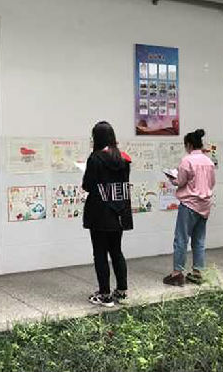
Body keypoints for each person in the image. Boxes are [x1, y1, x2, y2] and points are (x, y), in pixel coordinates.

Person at [81, 121, 133, 307]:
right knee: (116, 251)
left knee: (100, 253)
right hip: (119, 212)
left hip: (99, 212)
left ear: (96, 138)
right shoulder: (124, 159)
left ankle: (104, 295)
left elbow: (87, 185)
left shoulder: (95, 158)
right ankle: (122, 291)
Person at [163, 129, 216, 287]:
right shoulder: (208, 161)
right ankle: (198, 273)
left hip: (189, 204)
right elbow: (212, 183)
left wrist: (171, 178)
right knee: (199, 240)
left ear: (189, 145)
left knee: (181, 238)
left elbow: (180, 181)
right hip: (205, 205)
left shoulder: (187, 161)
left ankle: (177, 273)